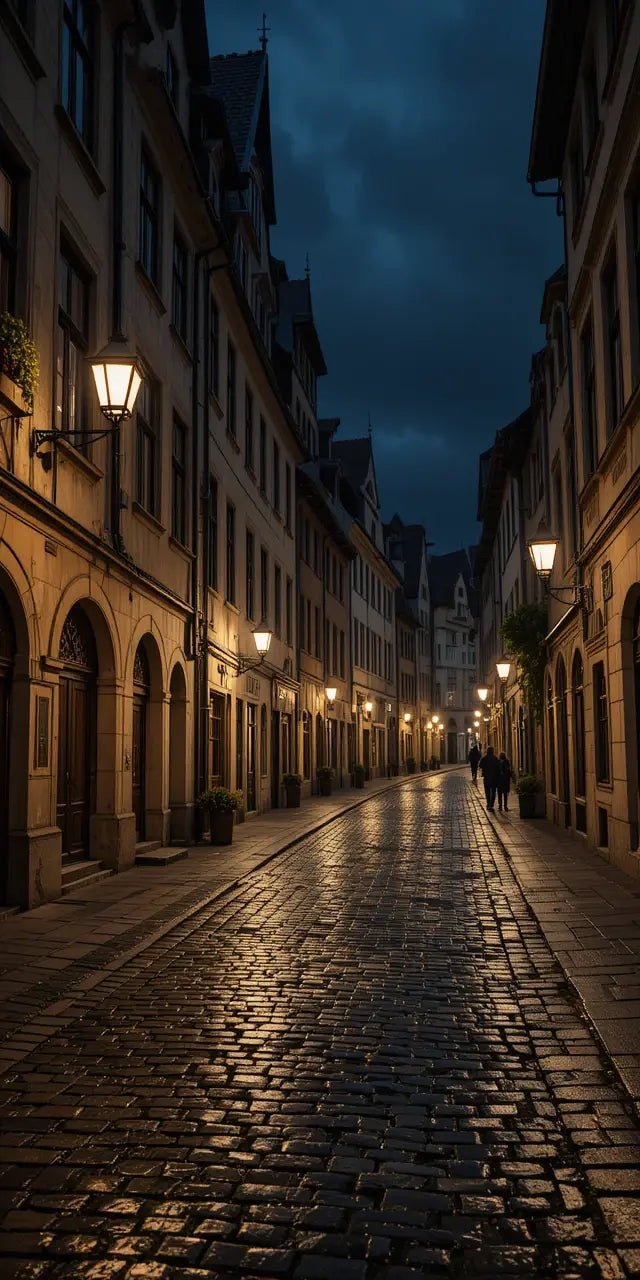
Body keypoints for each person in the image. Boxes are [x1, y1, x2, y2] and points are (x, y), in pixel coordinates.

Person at [479, 745, 500, 812]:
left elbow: (480, 765)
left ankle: (488, 803)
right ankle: (491, 804)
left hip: (487, 777)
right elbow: (498, 767)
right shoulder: (495, 758)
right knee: (493, 791)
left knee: (487, 791)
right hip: (494, 778)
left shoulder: (484, 758)